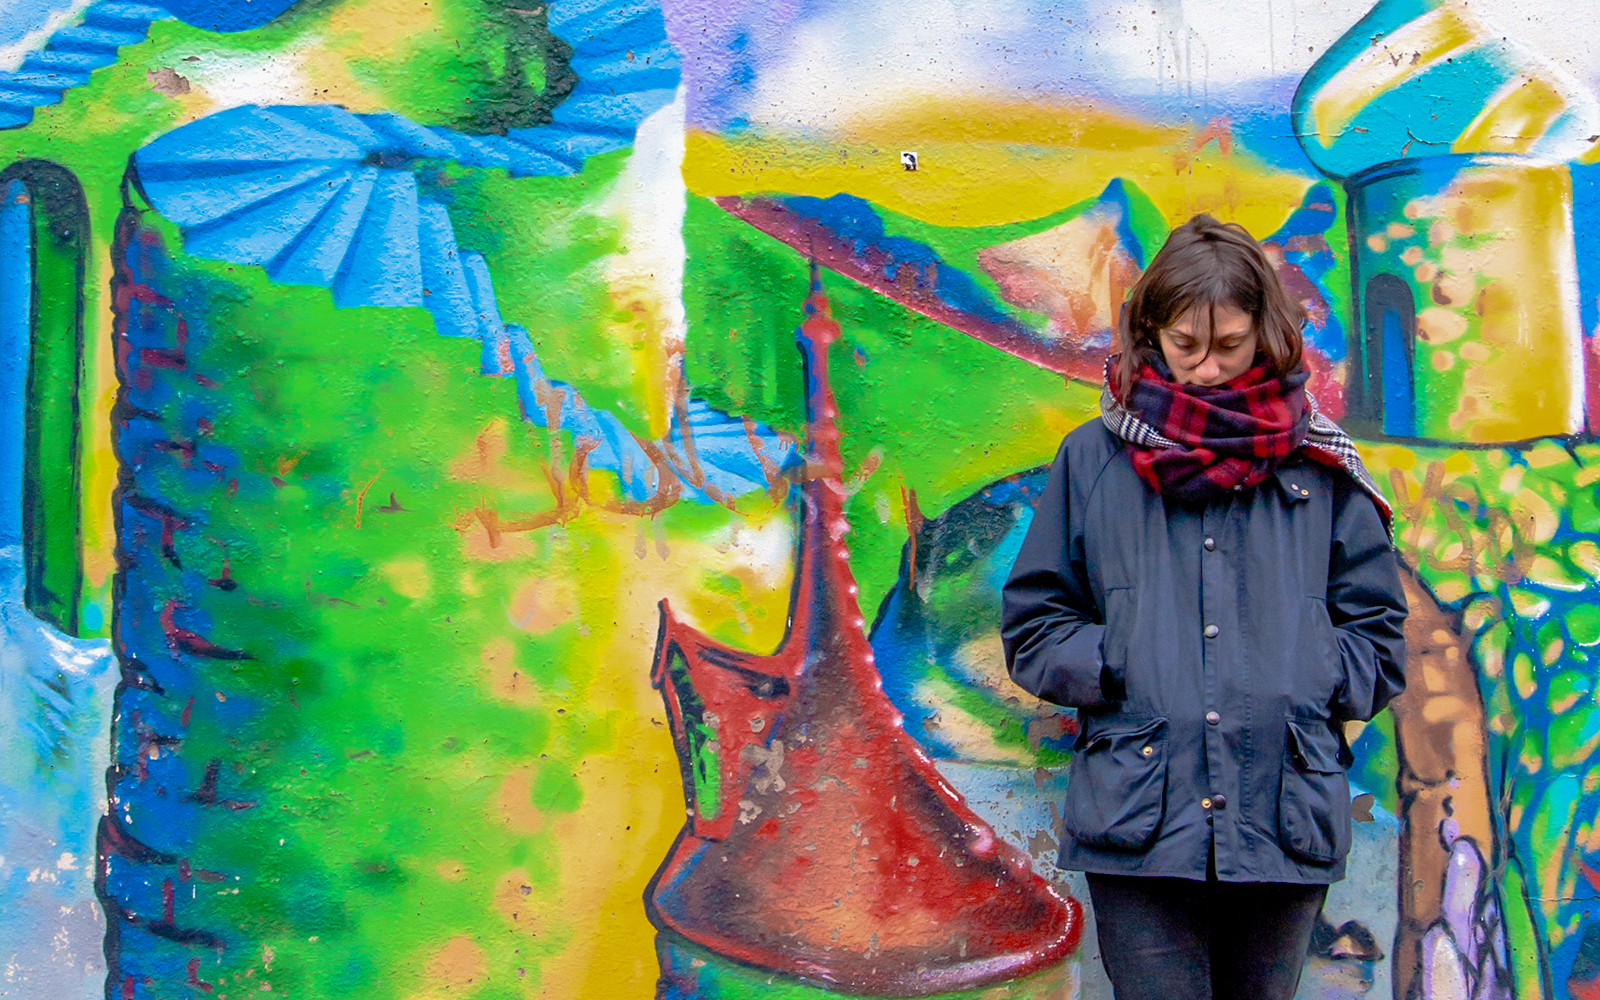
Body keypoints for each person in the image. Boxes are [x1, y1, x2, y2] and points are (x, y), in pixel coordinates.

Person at [1000, 213, 1407, 1000]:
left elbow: (1380, 636)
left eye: (1230, 346)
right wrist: (1122, 657)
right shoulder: (1095, 458)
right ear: (1152, 330)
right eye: (1187, 345)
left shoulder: (1318, 464)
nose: (1208, 371)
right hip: (1138, 820)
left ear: (1267, 333)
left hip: (1284, 811)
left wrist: (1311, 672)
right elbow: (1034, 623)